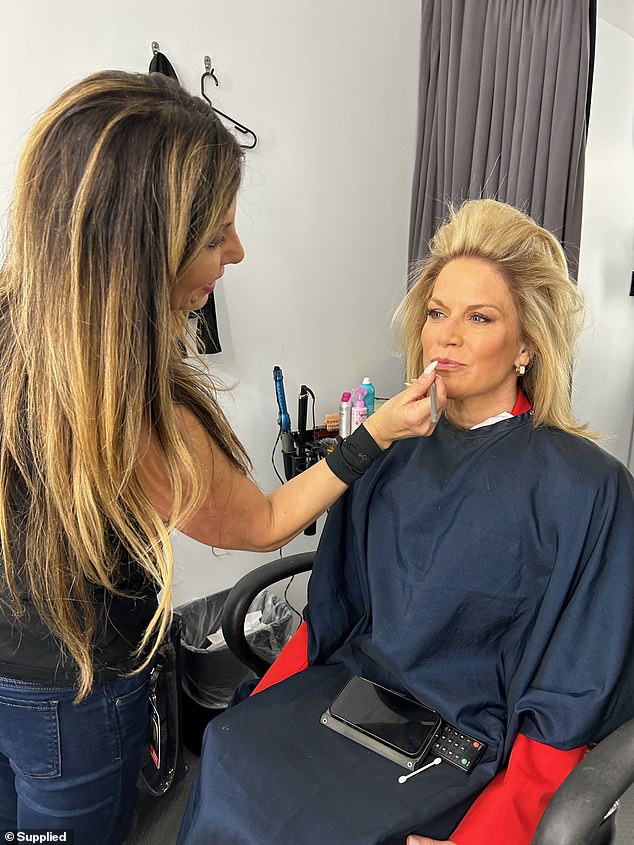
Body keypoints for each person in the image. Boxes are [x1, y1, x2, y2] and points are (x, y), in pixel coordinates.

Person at [0, 70, 443, 844]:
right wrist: (373, 436)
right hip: (67, 696)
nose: (236, 252)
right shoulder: (128, 406)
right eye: (213, 236)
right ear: (136, 253)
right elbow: (265, 520)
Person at [176, 199, 634, 845]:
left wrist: (495, 831)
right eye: (438, 313)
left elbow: (577, 685)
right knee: (231, 747)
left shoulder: (587, 488)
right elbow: (334, 607)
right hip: (357, 692)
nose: (446, 335)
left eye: (480, 317)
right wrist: (270, 697)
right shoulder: (391, 448)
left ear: (527, 342)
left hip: (472, 737)